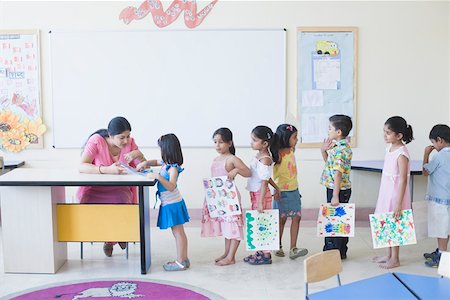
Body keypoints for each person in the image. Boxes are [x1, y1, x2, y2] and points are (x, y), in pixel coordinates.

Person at [77, 116, 146, 257]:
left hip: (120, 189)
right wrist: (106, 169)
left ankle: (115, 237)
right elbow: (82, 166)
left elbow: (144, 166)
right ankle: (112, 237)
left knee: (121, 201)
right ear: (110, 135)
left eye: (128, 136)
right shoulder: (96, 141)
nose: (126, 141)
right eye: (121, 137)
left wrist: (138, 154)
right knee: (87, 204)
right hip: (96, 188)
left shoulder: (130, 144)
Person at [136, 133, 190, 271]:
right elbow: (156, 161)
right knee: (177, 232)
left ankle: (181, 261)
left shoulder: (173, 168)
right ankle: (183, 259)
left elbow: (171, 186)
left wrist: (158, 176)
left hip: (173, 203)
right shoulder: (166, 164)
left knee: (178, 233)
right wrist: (146, 163)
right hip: (170, 203)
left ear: (167, 150)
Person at [201, 128, 251, 266]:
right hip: (218, 198)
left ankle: (231, 257)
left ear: (229, 143)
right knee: (225, 226)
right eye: (215, 142)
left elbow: (248, 172)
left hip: (230, 198)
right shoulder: (216, 159)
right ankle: (227, 252)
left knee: (233, 225)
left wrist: (236, 170)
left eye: (221, 142)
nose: (217, 145)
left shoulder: (232, 159)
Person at [372, 116, 413, 269]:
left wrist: (398, 203)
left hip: (396, 194)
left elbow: (403, 179)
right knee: (385, 221)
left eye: (388, 133)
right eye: (384, 132)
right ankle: (388, 254)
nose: (385, 135)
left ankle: (395, 258)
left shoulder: (402, 153)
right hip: (386, 191)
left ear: (399, 136)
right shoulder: (389, 148)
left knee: (394, 224)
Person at [271, 124, 308, 259]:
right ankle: (277, 246)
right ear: (285, 138)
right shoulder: (276, 155)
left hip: (294, 190)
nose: (297, 139)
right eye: (294, 137)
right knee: (281, 219)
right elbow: (267, 175)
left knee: (297, 217)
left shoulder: (292, 149)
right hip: (281, 192)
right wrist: (275, 189)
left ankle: (293, 248)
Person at [243, 125, 279, 265]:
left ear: (265, 143)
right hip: (256, 193)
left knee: (263, 224)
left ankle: (265, 255)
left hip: (261, 195)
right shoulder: (259, 156)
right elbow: (266, 177)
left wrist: (260, 202)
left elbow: (264, 182)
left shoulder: (265, 159)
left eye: (254, 140)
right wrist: (277, 188)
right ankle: (259, 251)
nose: (251, 142)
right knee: (257, 223)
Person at [320, 115, 353, 260]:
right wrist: (323, 151)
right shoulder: (339, 147)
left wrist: (335, 195)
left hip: (337, 190)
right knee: (339, 220)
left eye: (330, 128)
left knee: (335, 222)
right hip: (337, 188)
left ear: (338, 132)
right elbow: (330, 164)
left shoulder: (340, 150)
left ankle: (333, 252)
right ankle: (340, 251)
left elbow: (338, 174)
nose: (328, 131)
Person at [422, 124, 450, 267]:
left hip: (440, 199)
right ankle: (442, 251)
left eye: (433, 142)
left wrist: (426, 154)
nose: (433, 145)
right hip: (448, 199)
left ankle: (443, 256)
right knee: (447, 227)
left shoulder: (440, 156)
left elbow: (426, 171)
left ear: (439, 140)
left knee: (441, 229)